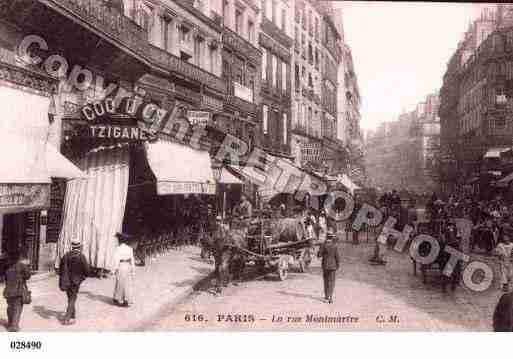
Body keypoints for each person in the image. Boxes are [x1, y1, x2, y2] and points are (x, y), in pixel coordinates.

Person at [59, 239, 90, 325]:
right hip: (76, 282)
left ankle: (72, 315)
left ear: (72, 246)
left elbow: (60, 269)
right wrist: (82, 277)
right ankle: (67, 318)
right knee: (72, 299)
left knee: (70, 298)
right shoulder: (81, 256)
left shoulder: (66, 255)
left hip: (66, 281)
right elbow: (87, 270)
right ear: (79, 247)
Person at [3, 253, 31, 332]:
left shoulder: (7, 266)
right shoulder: (21, 265)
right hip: (18, 291)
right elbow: (28, 276)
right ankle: (14, 326)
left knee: (10, 307)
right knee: (17, 308)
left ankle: (10, 322)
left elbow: (5, 278)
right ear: (18, 258)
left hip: (8, 291)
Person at [113, 232, 136, 306]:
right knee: (127, 283)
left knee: (120, 282)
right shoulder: (129, 248)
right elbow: (132, 259)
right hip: (128, 265)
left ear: (120, 240)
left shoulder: (118, 248)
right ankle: (126, 300)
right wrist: (133, 269)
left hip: (121, 265)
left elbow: (116, 259)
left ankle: (119, 298)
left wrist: (114, 269)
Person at [317, 231, 340, 304]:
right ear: (332, 237)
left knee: (326, 281)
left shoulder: (323, 245)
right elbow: (337, 257)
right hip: (333, 266)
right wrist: (338, 265)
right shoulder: (335, 245)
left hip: (325, 266)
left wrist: (320, 250)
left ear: (326, 237)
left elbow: (319, 255)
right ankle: (330, 297)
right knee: (332, 282)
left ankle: (326, 296)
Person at [496, 226, 513, 292]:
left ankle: (507, 284)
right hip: (503, 261)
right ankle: (505, 286)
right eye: (504, 237)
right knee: (503, 273)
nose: (505, 238)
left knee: (510, 274)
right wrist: (500, 254)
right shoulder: (500, 245)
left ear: (510, 237)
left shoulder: (512, 245)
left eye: (507, 237)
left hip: (510, 262)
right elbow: (497, 252)